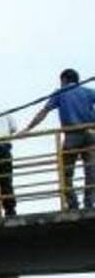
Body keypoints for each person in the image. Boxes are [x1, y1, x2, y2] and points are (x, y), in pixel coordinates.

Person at [21, 68, 95, 211]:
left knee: (65, 172)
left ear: (64, 80)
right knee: (91, 170)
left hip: (71, 135)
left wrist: (28, 128)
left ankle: (73, 204)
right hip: (90, 134)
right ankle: (89, 203)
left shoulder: (61, 93)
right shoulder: (87, 91)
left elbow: (44, 112)